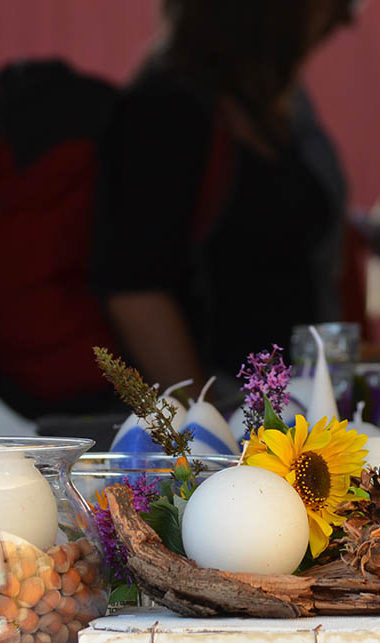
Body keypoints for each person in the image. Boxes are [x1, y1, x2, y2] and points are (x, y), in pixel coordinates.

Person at [90, 0, 364, 397]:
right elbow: (134, 288)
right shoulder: (166, 110)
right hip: (227, 414)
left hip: (290, 403)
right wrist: (205, 431)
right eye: (328, 5)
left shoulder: (266, 111)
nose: (345, 19)